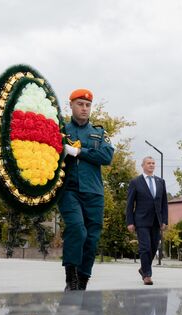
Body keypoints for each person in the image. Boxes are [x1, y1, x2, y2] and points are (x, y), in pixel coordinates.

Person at [59, 88, 114, 291]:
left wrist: (79, 151)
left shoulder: (99, 133)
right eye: (80, 104)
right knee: (76, 229)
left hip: (94, 192)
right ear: (71, 105)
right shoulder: (62, 130)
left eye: (87, 105)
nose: (84, 108)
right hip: (69, 190)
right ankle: (70, 277)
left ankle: (83, 280)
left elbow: (107, 157)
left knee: (92, 238)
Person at [126, 156, 168, 285]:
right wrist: (130, 222)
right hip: (141, 220)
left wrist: (164, 220)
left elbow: (164, 203)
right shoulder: (135, 182)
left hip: (157, 220)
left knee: (154, 246)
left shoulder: (161, 181)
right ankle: (147, 275)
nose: (151, 165)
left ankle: (143, 268)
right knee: (145, 248)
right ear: (143, 165)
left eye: (153, 163)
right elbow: (129, 204)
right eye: (149, 163)